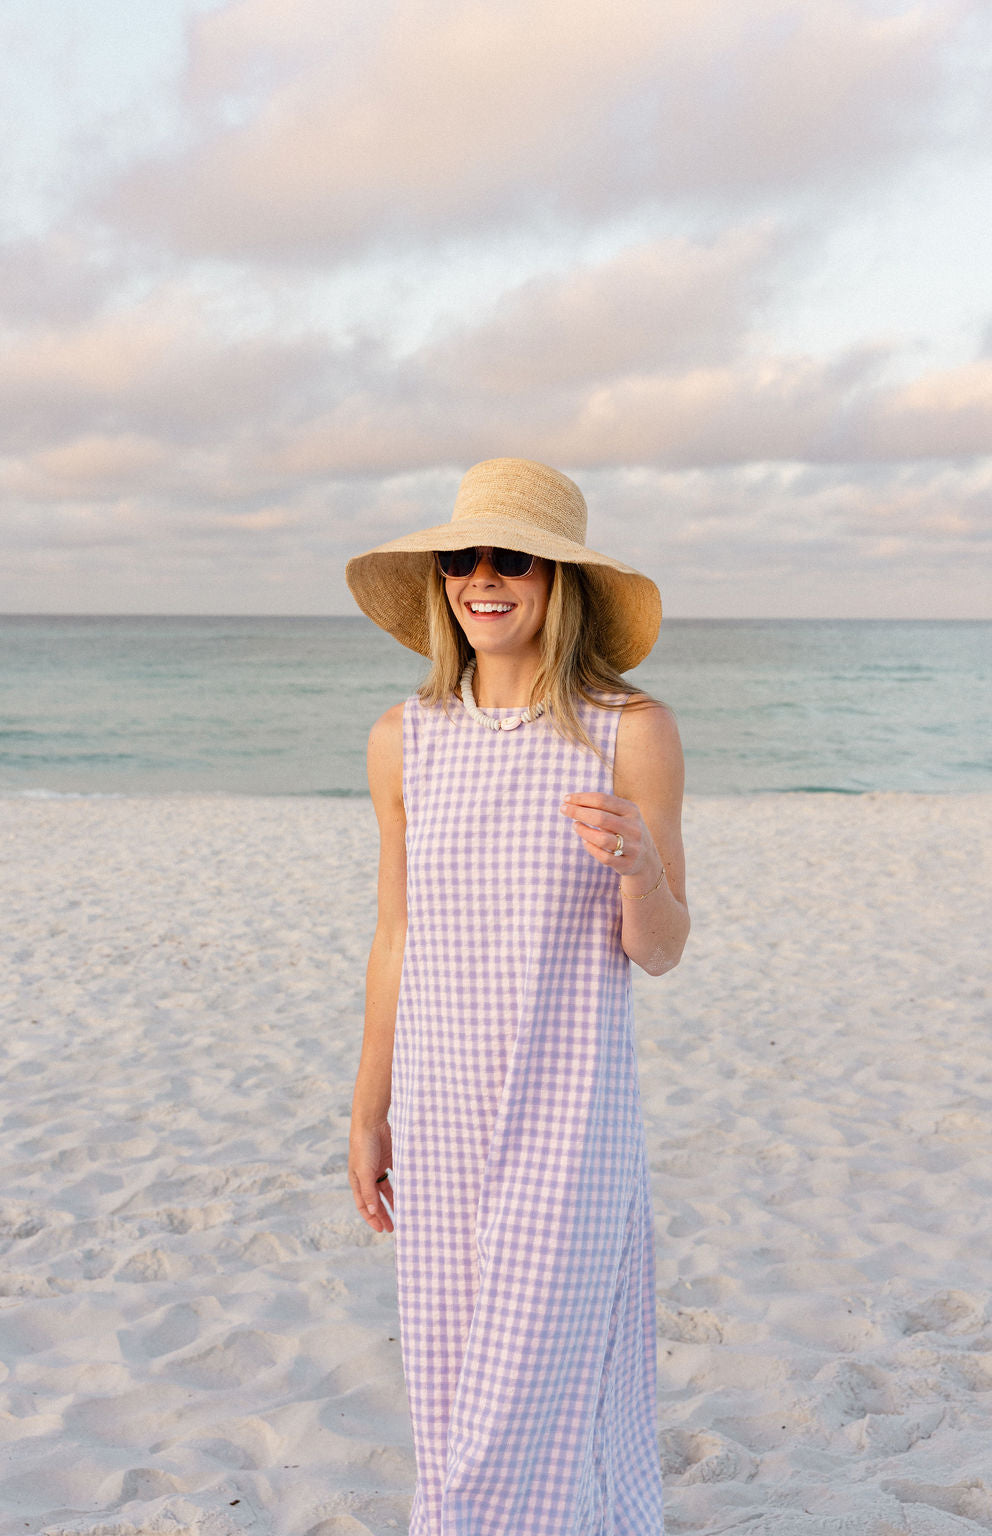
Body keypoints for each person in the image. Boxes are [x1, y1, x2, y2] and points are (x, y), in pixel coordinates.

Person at [344, 457, 689, 1535]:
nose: (482, 580)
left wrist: (636, 865)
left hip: (571, 1119)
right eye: (462, 558)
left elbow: (664, 950)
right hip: (442, 1116)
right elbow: (395, 932)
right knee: (452, 1395)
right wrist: (366, 1110)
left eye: (514, 559)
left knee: (530, 1394)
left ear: (560, 579)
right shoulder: (403, 739)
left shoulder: (630, 729)